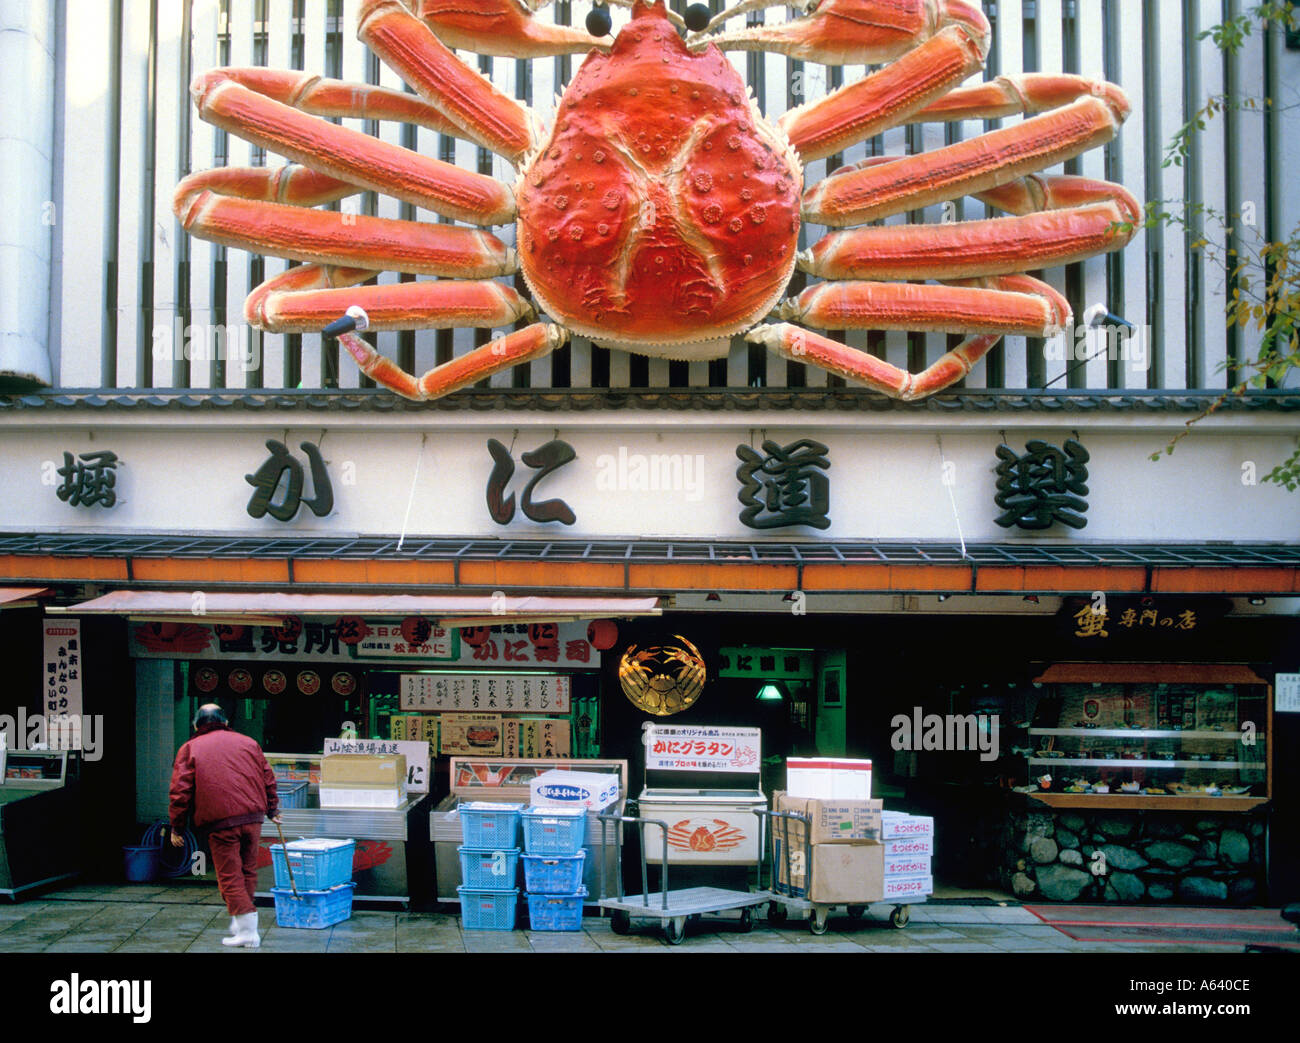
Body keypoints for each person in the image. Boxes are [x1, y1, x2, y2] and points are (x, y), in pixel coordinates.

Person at [169, 703, 280, 948]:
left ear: (197, 725)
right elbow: (267, 777)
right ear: (226, 722)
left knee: (229, 875)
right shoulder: (249, 743)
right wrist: (272, 809)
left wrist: (177, 826)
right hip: (253, 817)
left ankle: (247, 931)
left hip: (220, 821)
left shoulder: (190, 748)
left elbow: (180, 792)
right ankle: (242, 922)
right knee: (247, 871)